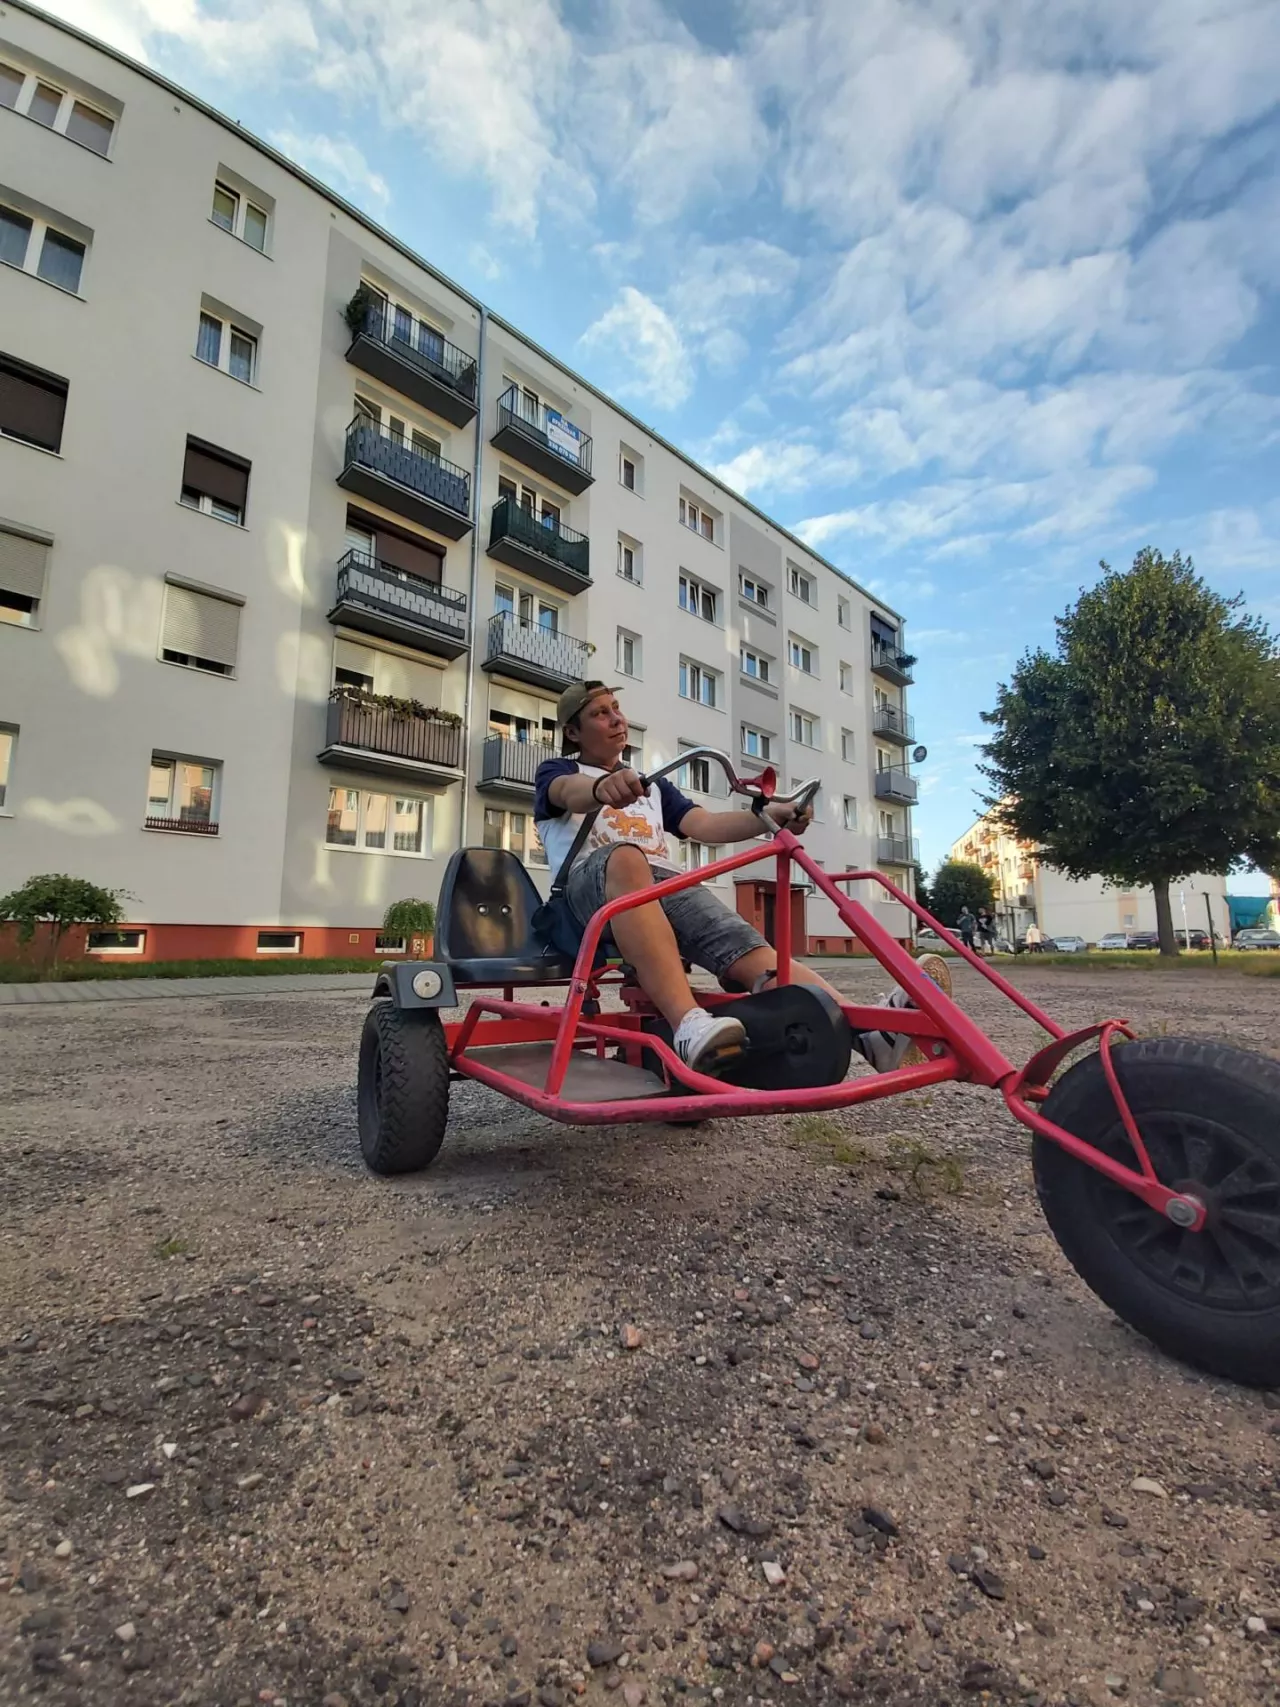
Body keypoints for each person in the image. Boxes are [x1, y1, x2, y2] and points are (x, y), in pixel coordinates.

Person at [534, 680, 946, 1076]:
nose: (616, 719)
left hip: (661, 887)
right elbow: (568, 791)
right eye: (600, 714)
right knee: (626, 857)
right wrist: (601, 788)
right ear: (573, 732)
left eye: (616, 709)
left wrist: (768, 817)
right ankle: (688, 1025)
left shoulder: (652, 787)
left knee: (749, 951)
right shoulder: (558, 770)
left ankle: (872, 1036)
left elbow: (705, 824)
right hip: (588, 895)